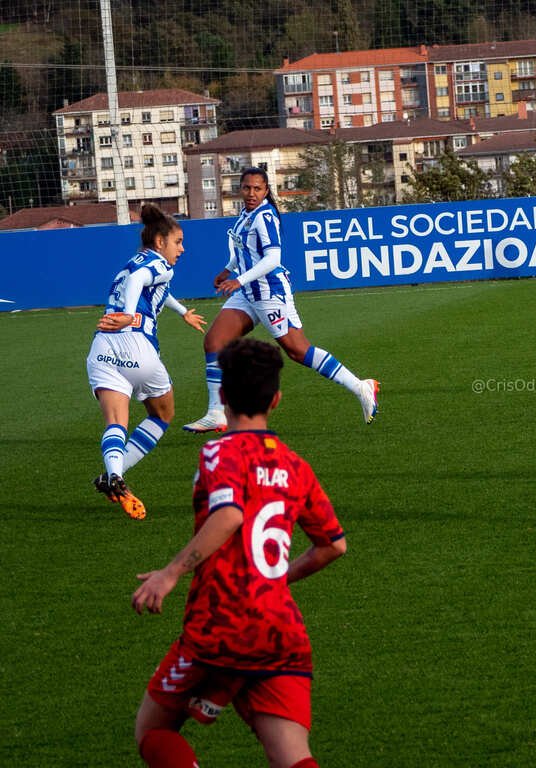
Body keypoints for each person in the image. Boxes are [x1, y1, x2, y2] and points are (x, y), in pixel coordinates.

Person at [132, 337, 347, 768]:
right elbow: (333, 545)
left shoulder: (219, 452)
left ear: (224, 395)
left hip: (220, 624)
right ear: (276, 399)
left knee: (153, 732)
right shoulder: (294, 465)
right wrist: (276, 578)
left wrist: (170, 573)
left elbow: (229, 515)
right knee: (291, 755)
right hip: (280, 630)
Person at [182, 167, 379, 433]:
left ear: (266, 191)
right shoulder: (246, 215)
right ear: (240, 189)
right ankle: (216, 413)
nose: (251, 193)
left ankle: (360, 386)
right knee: (214, 342)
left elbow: (273, 258)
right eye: (246, 187)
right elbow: (245, 250)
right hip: (249, 292)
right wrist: (228, 269)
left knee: (298, 350)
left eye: (257, 188)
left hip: (269, 292)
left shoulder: (265, 217)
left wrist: (238, 280)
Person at [87, 203, 206, 520]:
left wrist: (183, 312)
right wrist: (129, 315)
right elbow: (143, 279)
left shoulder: (130, 264)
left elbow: (153, 287)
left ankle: (114, 475)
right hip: (136, 345)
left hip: (102, 348)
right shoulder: (158, 264)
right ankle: (115, 473)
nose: (182, 249)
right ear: (160, 241)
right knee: (163, 414)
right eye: (178, 242)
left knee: (116, 422)